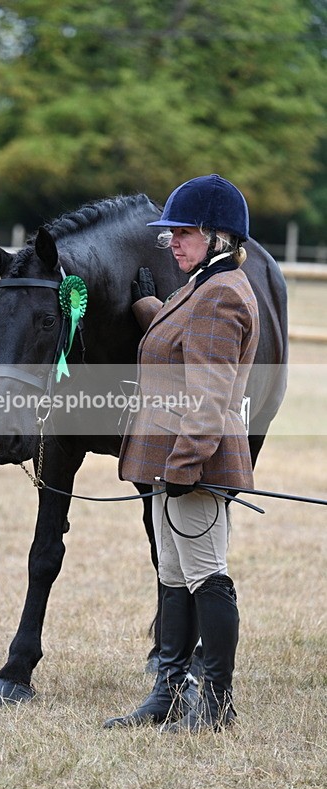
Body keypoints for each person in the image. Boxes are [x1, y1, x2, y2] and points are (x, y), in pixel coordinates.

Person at [104, 174, 260, 733]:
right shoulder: (200, 286)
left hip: (193, 464)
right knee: (173, 574)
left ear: (219, 237)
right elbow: (178, 342)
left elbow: (210, 397)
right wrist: (150, 306)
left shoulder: (219, 295)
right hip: (170, 463)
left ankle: (216, 703)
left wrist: (184, 467)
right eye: (170, 232)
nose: (172, 241)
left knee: (205, 575)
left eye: (184, 232)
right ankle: (168, 693)